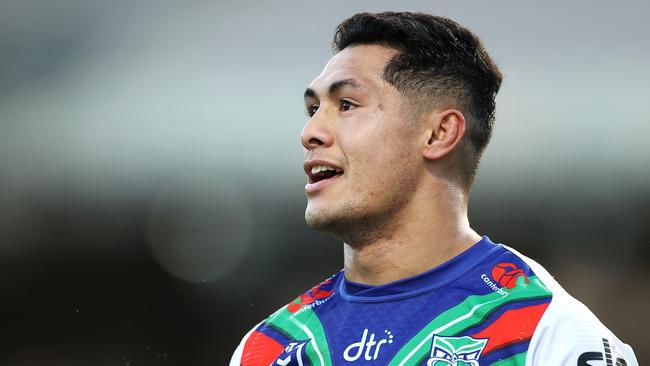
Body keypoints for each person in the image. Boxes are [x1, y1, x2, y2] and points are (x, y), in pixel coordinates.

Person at [230, 11, 638, 366]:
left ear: (439, 133)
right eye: (312, 109)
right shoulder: (270, 347)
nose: (310, 132)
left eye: (347, 105)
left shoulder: (543, 333)